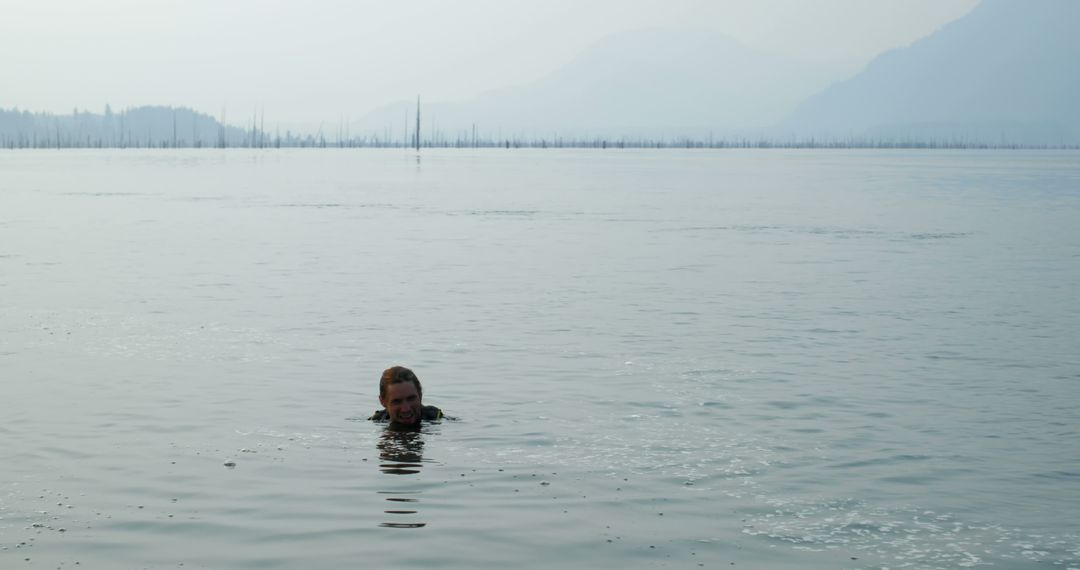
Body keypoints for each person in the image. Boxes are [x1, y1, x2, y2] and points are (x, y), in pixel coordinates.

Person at [369, 366, 443, 425]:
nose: (406, 409)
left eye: (411, 399)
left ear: (420, 395)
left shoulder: (436, 419)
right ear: (383, 402)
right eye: (397, 401)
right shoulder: (376, 421)